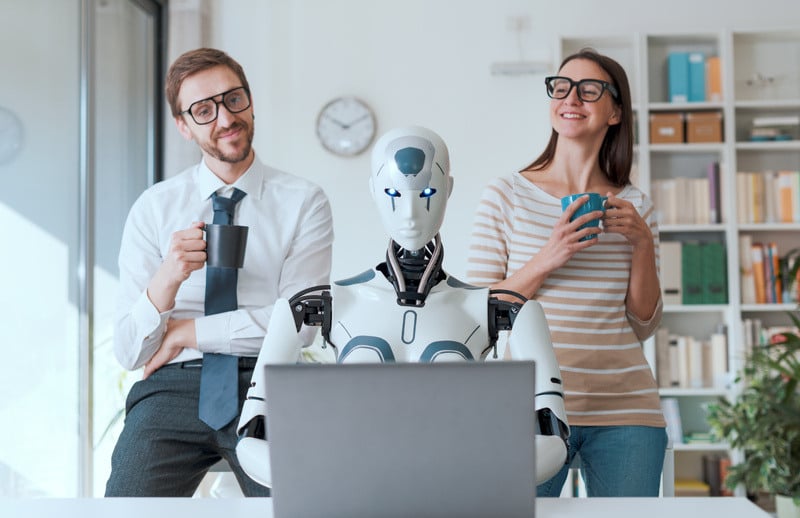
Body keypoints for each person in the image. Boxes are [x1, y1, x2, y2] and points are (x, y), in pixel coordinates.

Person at [234, 126, 570, 488]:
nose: (410, 213)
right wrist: (316, 473)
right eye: (394, 193)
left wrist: (484, 474)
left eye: (427, 193)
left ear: (448, 190)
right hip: (353, 494)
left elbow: (552, 436)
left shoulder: (501, 310)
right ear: (374, 192)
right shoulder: (314, 306)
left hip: (456, 496)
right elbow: (253, 434)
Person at [105, 48, 334, 497]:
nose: (225, 118)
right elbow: (131, 351)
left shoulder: (304, 201)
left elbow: (300, 325)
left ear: (249, 101)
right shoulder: (154, 208)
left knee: (305, 507)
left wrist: (185, 332)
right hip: (171, 388)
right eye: (204, 110)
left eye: (233, 99)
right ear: (184, 127)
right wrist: (168, 277)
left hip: (267, 382)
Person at [466, 48, 667, 497]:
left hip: (626, 412)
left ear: (615, 111)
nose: (571, 97)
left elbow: (645, 323)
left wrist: (641, 243)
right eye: (561, 87)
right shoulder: (507, 195)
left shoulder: (637, 207)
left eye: (589, 89)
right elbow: (477, 312)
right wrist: (550, 255)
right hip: (529, 409)